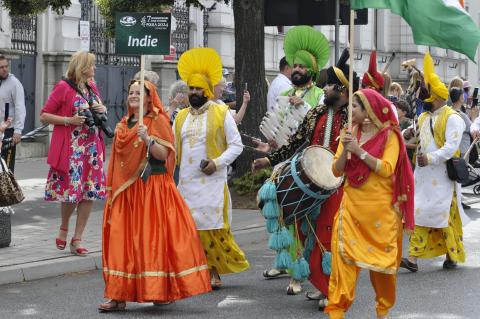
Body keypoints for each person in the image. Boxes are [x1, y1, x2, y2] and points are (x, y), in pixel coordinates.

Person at [254, 47, 359, 309]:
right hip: (310, 184)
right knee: (306, 234)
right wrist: (269, 160)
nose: (324, 90)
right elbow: (295, 144)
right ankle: (320, 284)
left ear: (342, 90)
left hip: (338, 188)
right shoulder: (315, 114)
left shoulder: (354, 119)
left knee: (329, 237)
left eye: (329, 87)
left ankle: (333, 288)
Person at [99, 80, 211, 312]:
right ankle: (117, 295)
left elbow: (164, 155)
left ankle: (158, 290)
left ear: (149, 98)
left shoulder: (157, 120)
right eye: (130, 92)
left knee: (152, 242)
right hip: (127, 193)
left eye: (138, 93)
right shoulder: (122, 124)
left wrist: (148, 139)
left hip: (154, 190)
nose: (133, 96)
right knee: (123, 242)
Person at [324, 89, 414, 319]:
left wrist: (358, 150)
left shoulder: (390, 135)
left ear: (368, 111)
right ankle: (336, 310)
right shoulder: (349, 132)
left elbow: (386, 168)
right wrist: (346, 149)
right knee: (342, 261)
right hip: (351, 207)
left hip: (380, 213)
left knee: (382, 269)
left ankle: (383, 310)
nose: (349, 109)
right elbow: (336, 170)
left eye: (354, 106)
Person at [256, 25, 331, 297]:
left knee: (304, 220)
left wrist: (306, 109)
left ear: (311, 70)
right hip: (281, 164)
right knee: (281, 217)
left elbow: (320, 126)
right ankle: (284, 263)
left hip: (305, 166)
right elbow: (277, 134)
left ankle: (300, 272)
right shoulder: (285, 95)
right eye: (294, 65)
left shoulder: (319, 96)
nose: (296, 69)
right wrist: (268, 146)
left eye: (302, 66)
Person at [174, 47, 249, 289]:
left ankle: (213, 270)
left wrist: (216, 163)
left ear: (207, 89)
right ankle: (195, 271)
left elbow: (237, 145)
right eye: (190, 88)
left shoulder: (221, 112)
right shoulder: (181, 117)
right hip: (186, 183)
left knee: (211, 229)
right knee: (189, 229)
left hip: (212, 182)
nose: (194, 93)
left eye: (198, 88)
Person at [400, 53, 469, 273]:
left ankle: (451, 254)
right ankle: (412, 258)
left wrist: (430, 158)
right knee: (420, 214)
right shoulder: (422, 117)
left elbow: (451, 147)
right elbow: (412, 137)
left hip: (443, 179)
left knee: (444, 217)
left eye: (428, 94)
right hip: (423, 179)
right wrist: (405, 133)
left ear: (437, 97)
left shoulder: (453, 118)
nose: (425, 98)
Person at [40, 51, 106, 256]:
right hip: (73, 150)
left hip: (92, 150)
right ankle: (64, 226)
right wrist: (68, 120)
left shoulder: (91, 87)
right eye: (92, 65)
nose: (94, 69)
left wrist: (101, 109)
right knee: (71, 193)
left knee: (89, 193)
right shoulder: (63, 87)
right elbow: (44, 115)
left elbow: (97, 113)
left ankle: (77, 238)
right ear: (83, 67)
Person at [0, 54, 26, 172]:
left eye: (6, 66)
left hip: (9, 131)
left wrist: (18, 130)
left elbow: (20, 107)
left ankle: (8, 190)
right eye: (1, 67)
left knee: (7, 167)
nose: (5, 69)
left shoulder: (14, 83)